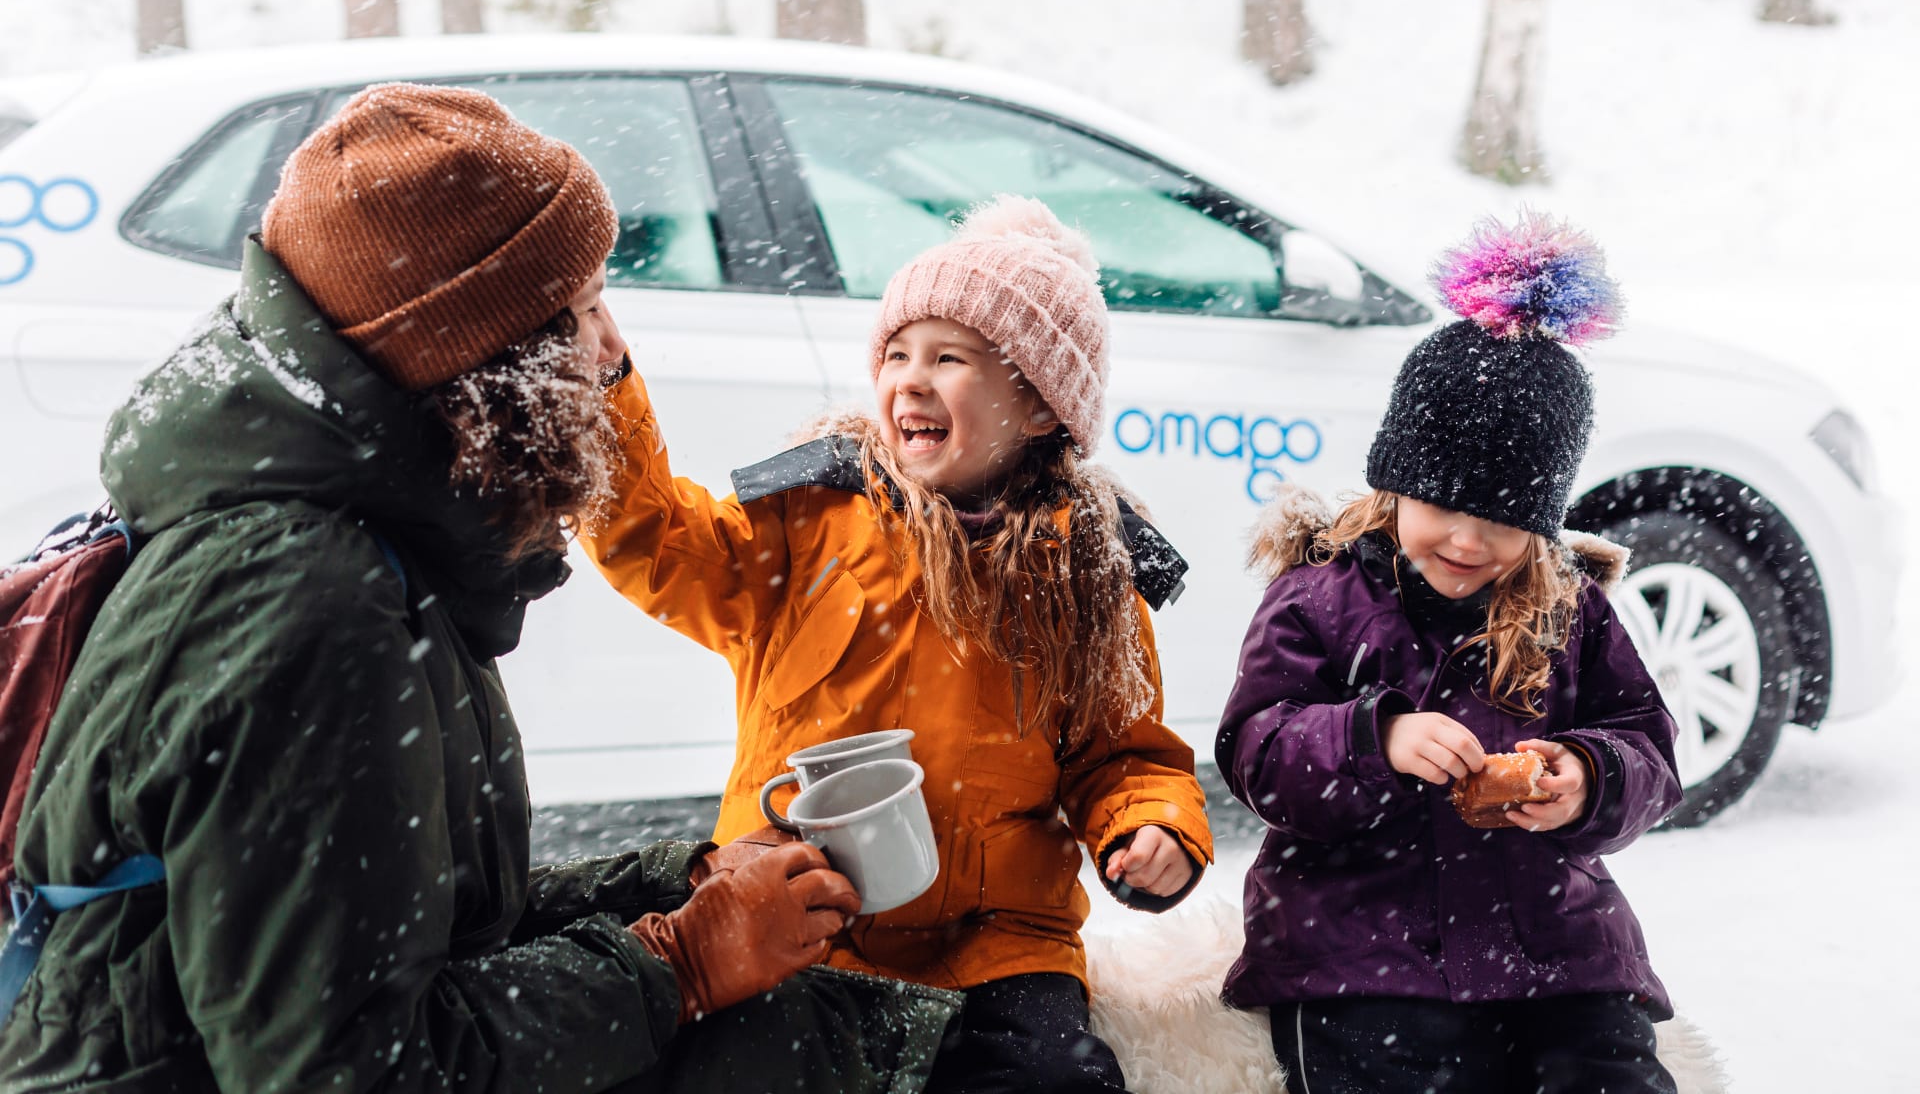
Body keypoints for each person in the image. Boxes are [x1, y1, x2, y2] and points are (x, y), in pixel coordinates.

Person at [0, 83, 959, 1092]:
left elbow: (415, 929)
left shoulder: (363, 538)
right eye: (582, 312)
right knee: (818, 1045)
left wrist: (682, 884)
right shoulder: (311, 607)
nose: (613, 350)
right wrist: (677, 962)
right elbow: (344, 1071)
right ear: (488, 364)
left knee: (827, 1022)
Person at [581, 195, 1215, 1092]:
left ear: (1040, 407)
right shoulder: (809, 522)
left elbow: (1123, 754)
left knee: (1058, 1081)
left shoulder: (1088, 576)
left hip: (998, 945)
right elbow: (652, 539)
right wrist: (604, 386)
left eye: (949, 359)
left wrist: (1153, 827)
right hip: (798, 916)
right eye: (896, 353)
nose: (910, 381)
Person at [1216, 213, 1683, 1094]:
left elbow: (1647, 743)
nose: (1468, 540)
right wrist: (1373, 740)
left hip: (1556, 948)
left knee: (1608, 1073)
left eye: (1503, 518)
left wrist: (1589, 776)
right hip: (1360, 947)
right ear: (1395, 484)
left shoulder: (1569, 609)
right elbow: (1257, 751)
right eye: (1441, 504)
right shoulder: (1319, 597)